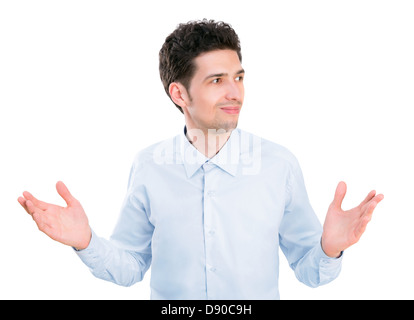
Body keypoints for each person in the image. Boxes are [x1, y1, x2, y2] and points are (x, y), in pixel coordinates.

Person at [18, 19, 384, 300]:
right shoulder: (149, 166)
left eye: (239, 78)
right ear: (179, 93)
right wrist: (86, 241)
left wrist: (329, 248)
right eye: (216, 80)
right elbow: (129, 268)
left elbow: (309, 272)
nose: (234, 92)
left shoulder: (278, 165)